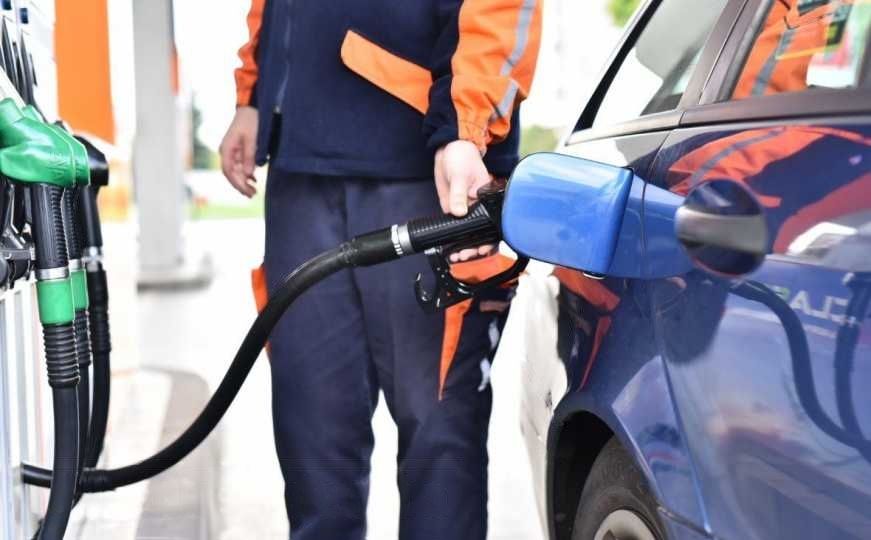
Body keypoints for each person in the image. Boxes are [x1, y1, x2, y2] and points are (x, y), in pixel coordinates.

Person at [219, 1, 542, 539]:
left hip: (430, 170)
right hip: (302, 170)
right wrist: (254, 97)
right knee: (313, 430)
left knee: (438, 433)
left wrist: (466, 128)